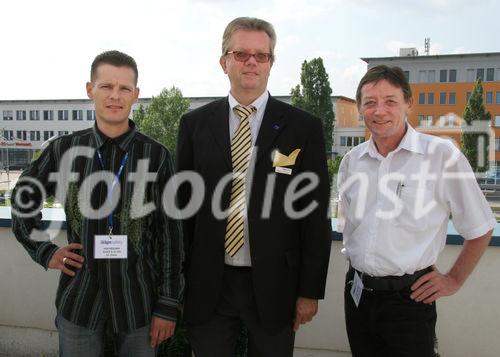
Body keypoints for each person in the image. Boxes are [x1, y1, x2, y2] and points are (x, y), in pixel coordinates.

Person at [11, 50, 183, 357]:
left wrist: (168, 305)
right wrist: (45, 251)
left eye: (124, 88)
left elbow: (172, 237)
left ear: (136, 95)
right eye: (106, 86)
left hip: (138, 304)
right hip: (80, 303)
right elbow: (23, 199)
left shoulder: (157, 157)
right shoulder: (64, 150)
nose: (115, 96)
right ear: (90, 89)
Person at [176, 17, 331, 357]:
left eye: (261, 55)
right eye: (241, 53)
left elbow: (315, 216)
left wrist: (310, 290)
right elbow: (182, 210)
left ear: (271, 64)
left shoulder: (303, 128)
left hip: (277, 284)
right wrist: (178, 282)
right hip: (209, 283)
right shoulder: (194, 125)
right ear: (224, 62)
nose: (251, 62)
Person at [337, 65, 495, 357]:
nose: (379, 111)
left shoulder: (441, 156)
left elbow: (481, 226)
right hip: (357, 293)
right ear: (360, 108)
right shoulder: (352, 161)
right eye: (370, 102)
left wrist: (454, 279)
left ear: (408, 103)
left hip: (409, 299)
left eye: (390, 101)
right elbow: (349, 223)